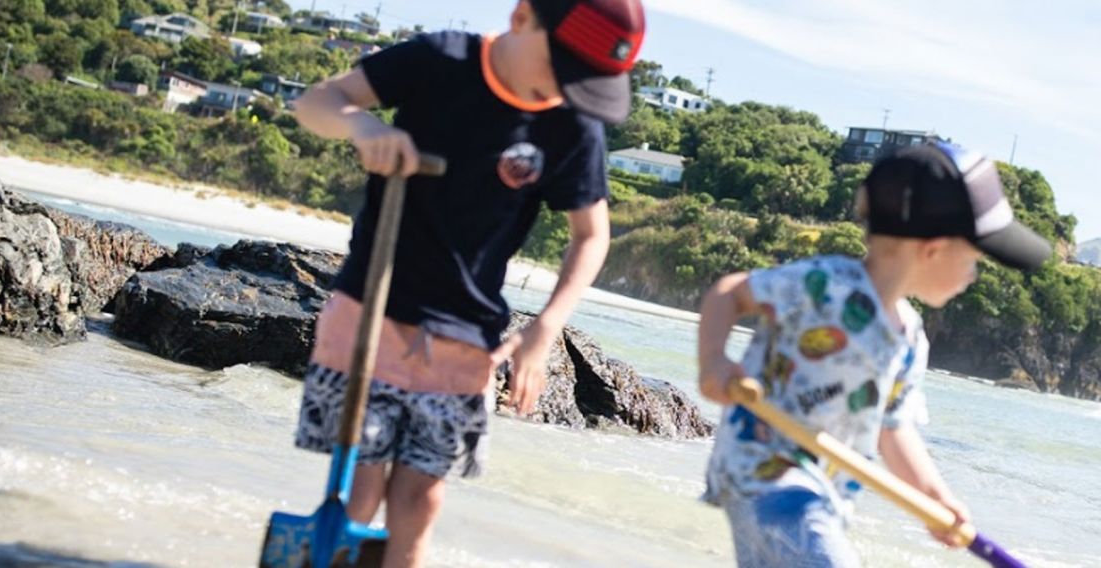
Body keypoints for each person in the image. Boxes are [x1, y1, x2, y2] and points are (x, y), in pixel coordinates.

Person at [286, 0, 645, 564]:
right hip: (370, 312)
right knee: (360, 485)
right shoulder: (439, 60)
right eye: (563, 70)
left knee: (422, 497)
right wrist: (362, 125)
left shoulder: (571, 123)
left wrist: (546, 329)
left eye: (584, 82)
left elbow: (591, 235)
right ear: (523, 17)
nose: (568, 90)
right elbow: (316, 102)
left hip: (467, 334)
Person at [695, 142, 1053, 566]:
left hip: (822, 495)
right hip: (766, 475)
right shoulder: (823, 284)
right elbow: (729, 294)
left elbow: (893, 429)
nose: (974, 275)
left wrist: (935, 496)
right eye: (974, 260)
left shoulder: (910, 340)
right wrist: (715, 361)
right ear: (933, 249)